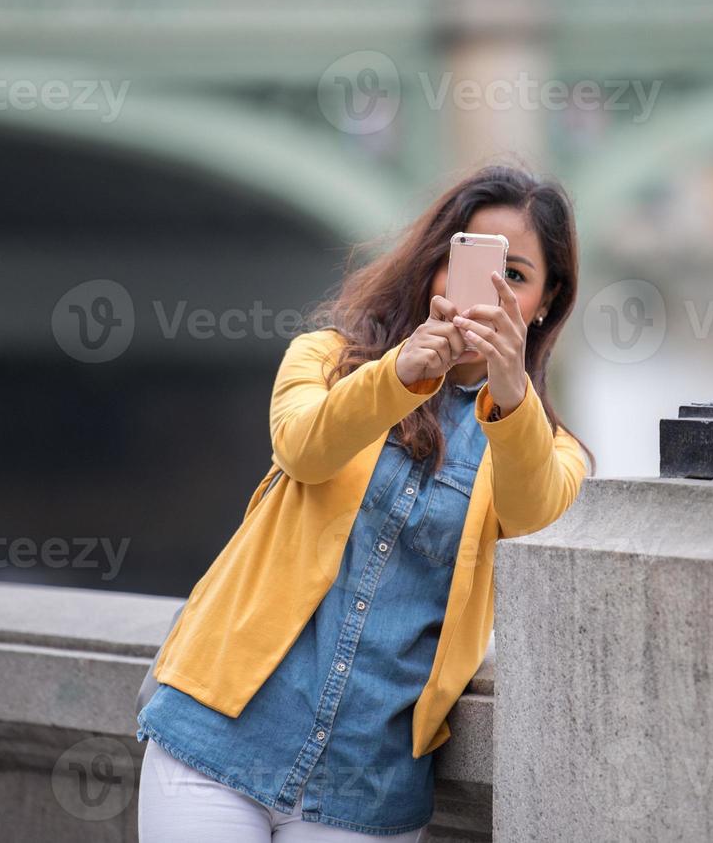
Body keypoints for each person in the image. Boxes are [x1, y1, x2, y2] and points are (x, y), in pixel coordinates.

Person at [135, 165, 594, 840]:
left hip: (366, 785)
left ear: (547, 303)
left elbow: (533, 516)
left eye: (516, 278)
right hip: (218, 733)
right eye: (465, 264)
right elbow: (303, 447)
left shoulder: (552, 449)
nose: (487, 298)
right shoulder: (326, 360)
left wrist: (512, 397)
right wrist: (402, 373)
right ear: (433, 266)